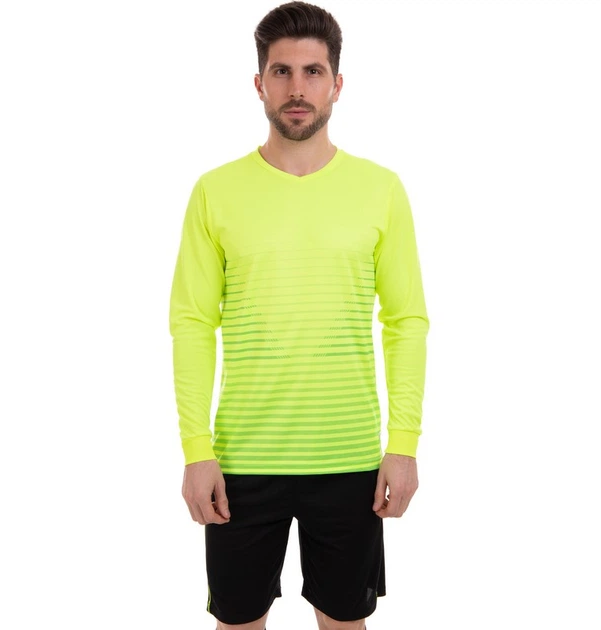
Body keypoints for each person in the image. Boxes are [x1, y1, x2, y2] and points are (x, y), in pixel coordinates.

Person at [168, 2, 429, 629]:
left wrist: (404, 445)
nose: (297, 88)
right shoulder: (214, 191)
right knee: (237, 622)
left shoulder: (381, 189)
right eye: (281, 72)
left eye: (313, 72)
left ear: (337, 84)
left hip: (350, 460)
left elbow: (406, 321)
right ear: (259, 83)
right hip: (241, 460)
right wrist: (196, 450)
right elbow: (193, 322)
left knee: (344, 622)